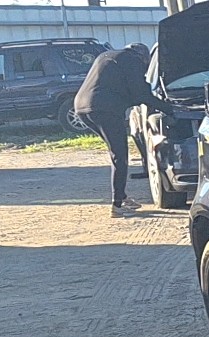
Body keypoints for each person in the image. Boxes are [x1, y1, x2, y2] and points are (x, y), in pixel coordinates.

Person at [73, 43, 174, 218]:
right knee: (119, 155)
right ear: (142, 56)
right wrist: (169, 109)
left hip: (81, 107)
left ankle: (123, 197)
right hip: (105, 109)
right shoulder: (131, 60)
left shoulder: (107, 56)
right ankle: (117, 205)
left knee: (116, 152)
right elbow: (141, 94)